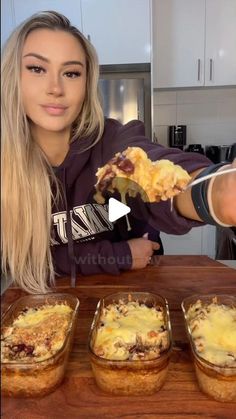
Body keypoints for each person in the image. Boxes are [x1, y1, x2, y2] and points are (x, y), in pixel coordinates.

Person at [1, 11, 236, 294]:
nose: (55, 88)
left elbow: (152, 168)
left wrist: (216, 193)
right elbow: (19, 262)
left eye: (71, 73)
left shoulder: (111, 145)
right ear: (13, 76)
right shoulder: (6, 166)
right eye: (37, 69)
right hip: (45, 313)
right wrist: (119, 255)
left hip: (130, 304)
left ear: (86, 84)